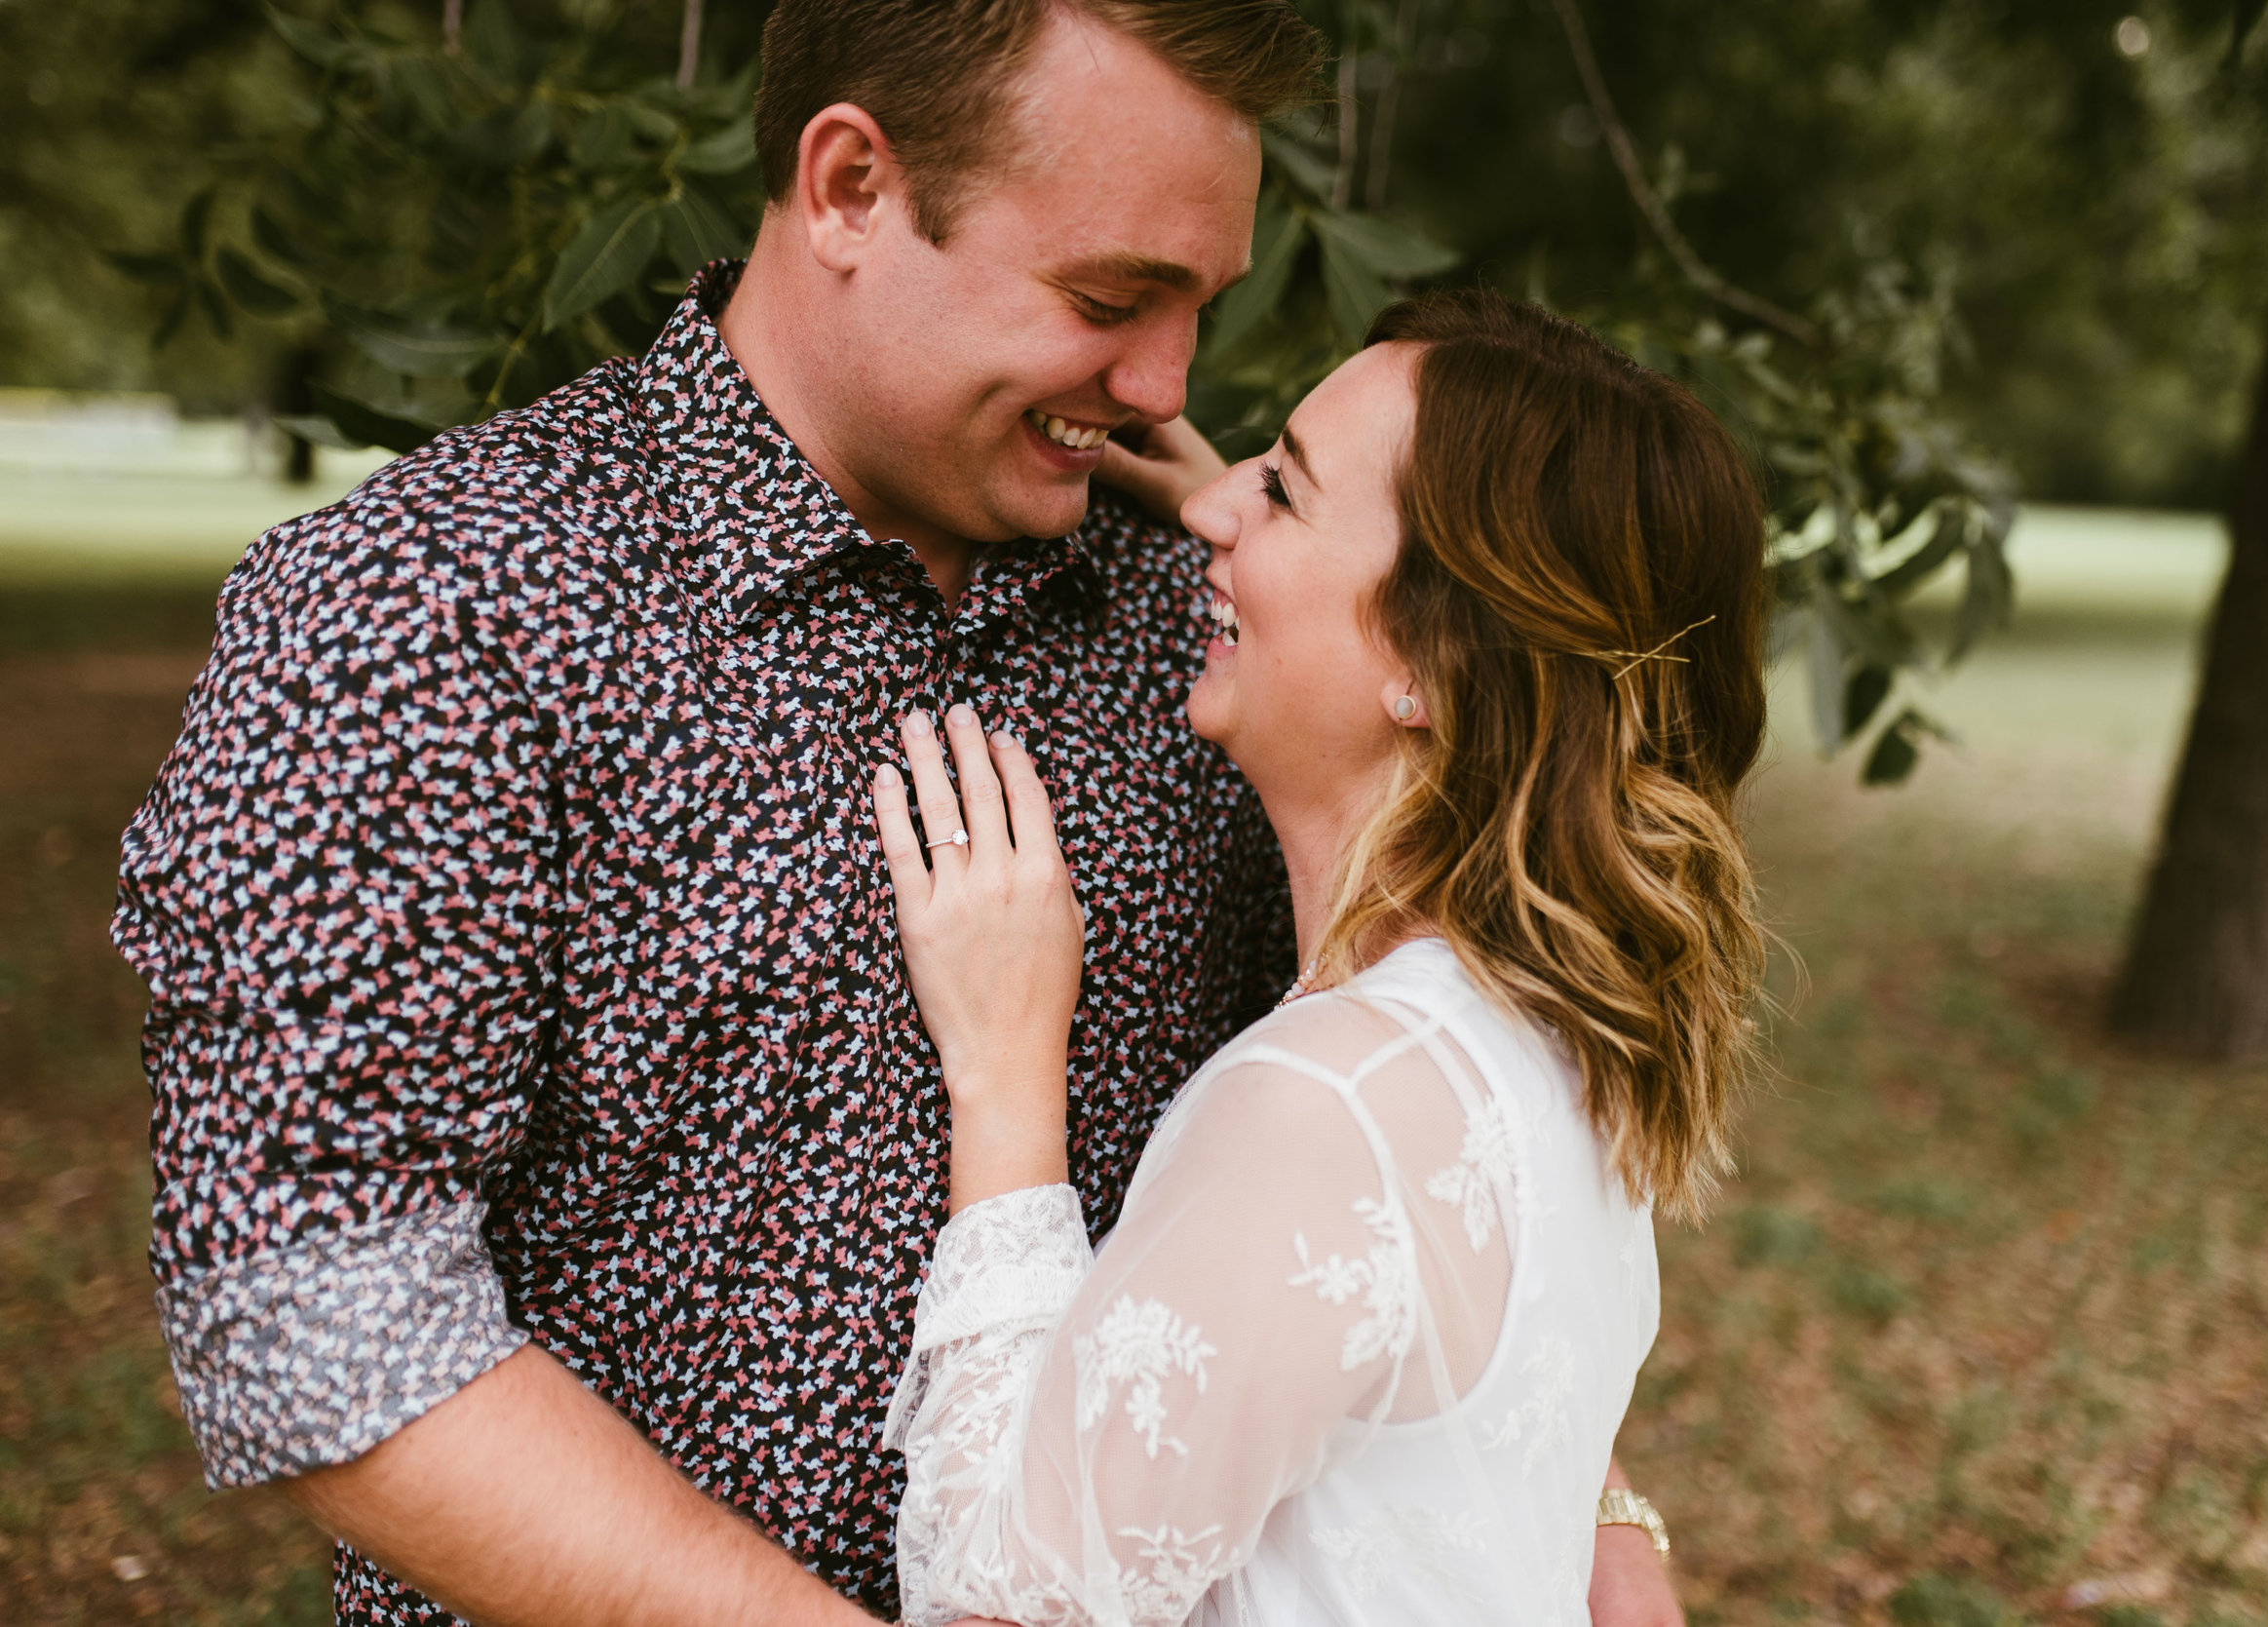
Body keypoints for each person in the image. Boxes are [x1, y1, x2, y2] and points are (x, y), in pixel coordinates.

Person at [110, 0, 1685, 1621]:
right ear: (853, 185)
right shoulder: (433, 609)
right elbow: (310, 1308)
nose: (1161, 380)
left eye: (1199, 307)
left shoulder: (1212, 633)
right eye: (1108, 298)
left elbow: (1411, 1124)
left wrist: (1594, 1490)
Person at [867, 289, 1769, 1625]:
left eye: (1280, 489)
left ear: (1424, 663)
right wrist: (1289, 534)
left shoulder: (1324, 1109)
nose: (1206, 507)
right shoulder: (1564, 1035)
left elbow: (1002, 1610)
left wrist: (1006, 1079)